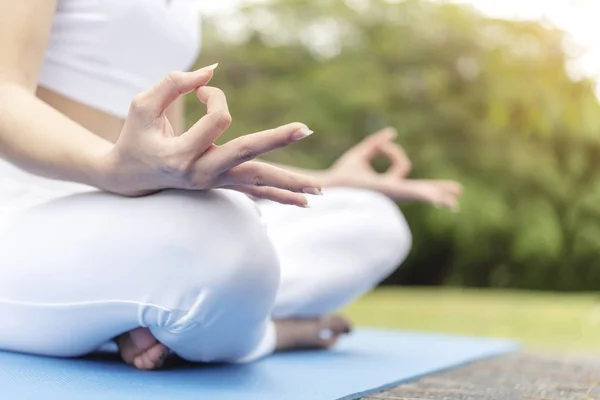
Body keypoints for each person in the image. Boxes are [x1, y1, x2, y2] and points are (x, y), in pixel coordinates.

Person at [0, 0, 462, 370]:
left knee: (370, 219)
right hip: (26, 215)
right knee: (224, 239)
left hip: (129, 211)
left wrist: (327, 182)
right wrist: (111, 167)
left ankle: (175, 313)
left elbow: (171, 148)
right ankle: (262, 332)